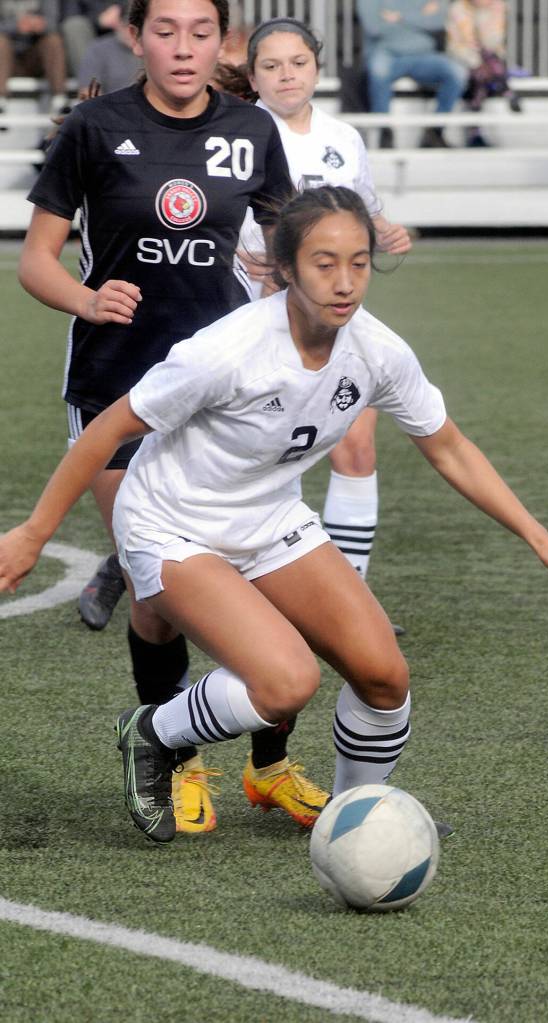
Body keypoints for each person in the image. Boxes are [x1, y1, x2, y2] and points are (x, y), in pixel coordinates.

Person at [0, 185, 548, 845]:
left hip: (268, 520)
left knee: (384, 675)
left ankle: (356, 817)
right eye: (324, 263)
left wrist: (538, 535)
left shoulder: (378, 352)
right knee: (287, 681)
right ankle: (152, 732)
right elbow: (107, 429)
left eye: (359, 262)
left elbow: (450, 447)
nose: (345, 282)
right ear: (285, 266)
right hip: (171, 525)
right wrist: (35, 531)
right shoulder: (229, 349)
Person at [17, 0, 296, 835]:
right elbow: (36, 261)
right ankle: (178, 759)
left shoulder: (252, 130)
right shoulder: (95, 128)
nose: (183, 47)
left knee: (249, 573)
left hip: (224, 395)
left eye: (200, 31)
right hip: (118, 388)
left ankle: (270, 764)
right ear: (134, 36)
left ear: (224, 40)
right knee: (162, 592)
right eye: (164, 30)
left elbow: (287, 248)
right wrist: (86, 296)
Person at [216, 16, 413, 821]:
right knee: (263, 466)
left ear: (318, 69)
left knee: (355, 441)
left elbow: (360, 222)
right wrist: (252, 262)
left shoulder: (342, 138)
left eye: (299, 62)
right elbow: (231, 223)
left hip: (326, 322)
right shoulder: (239, 133)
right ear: (252, 75)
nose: (287, 74)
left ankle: (343, 588)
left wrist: (392, 236)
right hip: (257, 321)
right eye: (272, 63)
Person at [356, 0, 469, 148]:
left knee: (457, 72)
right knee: (379, 70)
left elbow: (438, 21)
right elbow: (374, 27)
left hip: (423, 54)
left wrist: (400, 17)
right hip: (386, 53)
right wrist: (420, 17)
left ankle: (435, 131)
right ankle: (384, 131)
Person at [446, 0, 519, 147]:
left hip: (488, 60)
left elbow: (492, 42)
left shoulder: (497, 7)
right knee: (482, 73)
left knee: (483, 75)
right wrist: (475, 61)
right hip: (464, 57)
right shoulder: (457, 9)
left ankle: (474, 134)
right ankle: (507, 91)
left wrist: (483, 15)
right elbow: (457, 45)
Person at [0, 0, 67, 118]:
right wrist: (16, 26)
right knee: (1, 42)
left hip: (36, 56)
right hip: (7, 59)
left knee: (53, 40)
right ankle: (1, 98)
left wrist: (41, 24)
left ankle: (59, 99)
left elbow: (56, 22)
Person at [77, 7, 142, 94]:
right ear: (118, 24)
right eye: (126, 26)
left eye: (136, 28)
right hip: (113, 105)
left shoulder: (155, 48)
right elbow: (88, 92)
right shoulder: (98, 50)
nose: (130, 33)